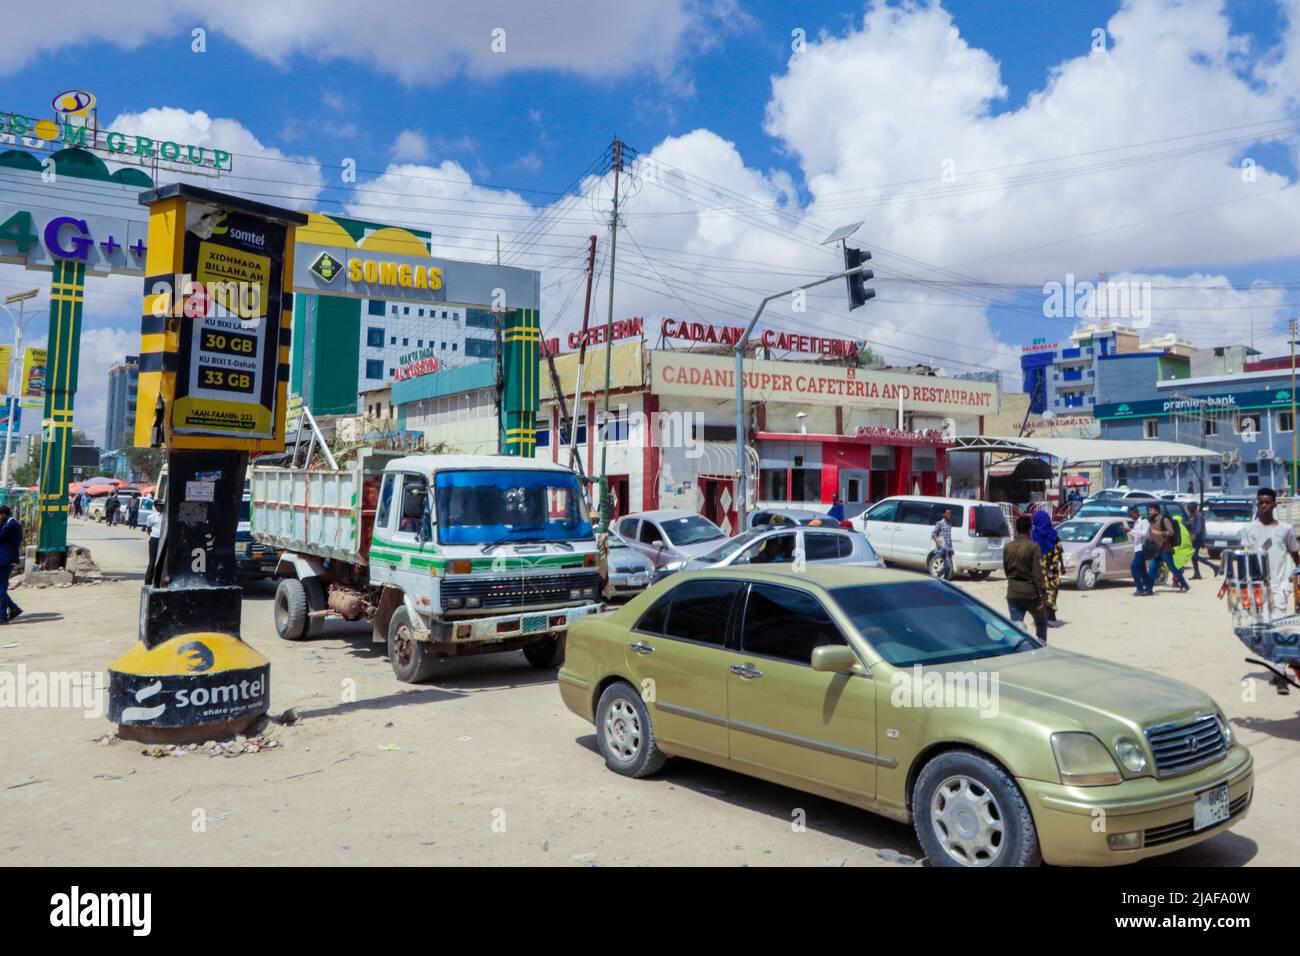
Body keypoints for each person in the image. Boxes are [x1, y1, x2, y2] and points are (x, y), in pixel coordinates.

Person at [1239, 486, 1300, 615]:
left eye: (1267, 503)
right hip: (1257, 585)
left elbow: (1295, 554)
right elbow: (1245, 557)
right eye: (1261, 503)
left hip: (1280, 585)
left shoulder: (1285, 529)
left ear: (1274, 505)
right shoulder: (1249, 529)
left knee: (1278, 624)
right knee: (1260, 624)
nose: (1264, 506)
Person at [1004, 515, 1048, 640]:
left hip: (1013, 593)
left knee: (1017, 629)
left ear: (1016, 529)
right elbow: (1037, 574)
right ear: (1030, 529)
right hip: (1031, 594)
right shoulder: (1034, 547)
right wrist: (1043, 596)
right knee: (1041, 624)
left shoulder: (1007, 547)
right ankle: (1041, 650)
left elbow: (1006, 571)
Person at [1031, 509, 1065, 626]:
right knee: (1052, 592)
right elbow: (1060, 551)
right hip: (1053, 571)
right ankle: (1051, 617)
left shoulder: (1035, 537)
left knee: (1040, 594)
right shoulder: (1054, 535)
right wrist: (1063, 567)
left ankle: (1041, 619)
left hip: (1039, 573)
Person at [1147, 503, 1190, 592]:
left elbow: (1171, 532)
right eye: (1149, 510)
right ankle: (1149, 589)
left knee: (1172, 568)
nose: (1149, 512)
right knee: (1152, 569)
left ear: (1157, 511)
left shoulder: (1164, 519)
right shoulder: (1152, 521)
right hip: (1156, 550)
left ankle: (1184, 584)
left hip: (1165, 549)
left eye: (1151, 510)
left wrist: (1158, 533)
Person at [1184, 501, 1220, 579]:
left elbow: (1198, 529)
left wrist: (1194, 536)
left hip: (1198, 539)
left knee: (1194, 555)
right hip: (1193, 539)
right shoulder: (1191, 516)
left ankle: (1214, 566)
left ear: (1194, 508)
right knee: (1193, 557)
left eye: (1190, 507)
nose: (1188, 509)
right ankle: (1197, 573)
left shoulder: (1198, 515)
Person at [0, 505, 24, 624]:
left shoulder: (11, 525)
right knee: (1, 589)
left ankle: (3, 616)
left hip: (5, 560)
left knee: (1, 589)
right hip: (5, 559)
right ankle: (13, 609)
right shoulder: (13, 524)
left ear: (4, 514)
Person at [1126, 505, 1154, 596]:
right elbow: (1135, 536)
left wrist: (1132, 530)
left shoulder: (1144, 521)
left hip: (1142, 548)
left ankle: (1140, 588)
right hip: (1137, 548)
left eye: (1132, 515)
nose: (1131, 517)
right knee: (1142, 571)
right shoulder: (1136, 523)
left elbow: (1144, 533)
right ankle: (1149, 588)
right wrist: (1129, 532)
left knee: (1134, 568)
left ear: (1136, 513)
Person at [930, 507, 954, 579]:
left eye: (950, 514)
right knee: (948, 566)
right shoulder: (940, 523)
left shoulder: (950, 523)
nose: (949, 515)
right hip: (943, 548)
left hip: (949, 548)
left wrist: (952, 548)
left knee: (949, 568)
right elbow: (933, 534)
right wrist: (938, 542)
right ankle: (937, 576)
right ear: (944, 514)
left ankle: (945, 581)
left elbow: (949, 536)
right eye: (948, 514)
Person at [145, 504, 164, 584]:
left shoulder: (166, 516)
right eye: (158, 506)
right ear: (156, 507)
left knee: (162, 561)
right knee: (152, 561)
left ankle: (158, 581)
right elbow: (148, 528)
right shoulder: (151, 517)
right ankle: (148, 581)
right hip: (155, 540)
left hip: (163, 540)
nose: (160, 507)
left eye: (161, 506)